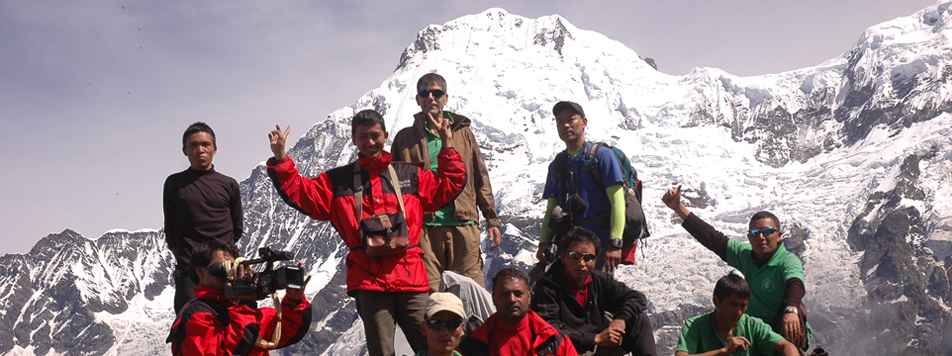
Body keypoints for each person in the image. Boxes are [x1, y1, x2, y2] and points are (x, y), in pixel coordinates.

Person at [266, 109, 466, 356]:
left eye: (375, 136)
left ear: (386, 135)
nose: (370, 142)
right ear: (353, 139)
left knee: (434, 348)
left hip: (410, 279)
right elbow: (303, 193)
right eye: (363, 137)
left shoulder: (410, 174)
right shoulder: (337, 181)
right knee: (382, 352)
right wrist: (281, 158)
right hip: (371, 282)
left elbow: (446, 188)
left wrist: (447, 146)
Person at [662, 185, 811, 350]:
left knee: (795, 311)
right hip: (753, 330)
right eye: (755, 233)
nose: (761, 237)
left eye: (767, 231)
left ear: (779, 235)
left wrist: (791, 310)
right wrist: (678, 208)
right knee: (712, 318)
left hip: (780, 328)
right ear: (748, 237)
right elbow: (713, 239)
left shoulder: (787, 261)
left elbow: (795, 285)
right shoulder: (746, 255)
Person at [391, 73, 503, 291]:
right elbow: (393, 185)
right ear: (418, 99)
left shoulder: (463, 134)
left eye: (437, 93)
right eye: (425, 93)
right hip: (423, 228)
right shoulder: (404, 139)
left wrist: (492, 218)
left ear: (446, 98)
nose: (431, 97)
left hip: (464, 224)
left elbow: (480, 177)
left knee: (471, 293)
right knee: (431, 297)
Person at [168, 240, 312, 356]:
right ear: (200, 271)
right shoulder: (195, 316)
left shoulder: (239, 308)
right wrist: (245, 306)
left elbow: (287, 331)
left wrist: (294, 301)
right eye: (223, 268)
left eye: (234, 267)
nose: (229, 273)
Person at [531, 227, 657, 356]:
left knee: (639, 320)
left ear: (596, 260)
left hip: (599, 346)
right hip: (568, 349)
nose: (581, 263)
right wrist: (595, 339)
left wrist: (620, 319)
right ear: (563, 257)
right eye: (575, 256)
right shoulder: (547, 287)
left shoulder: (598, 280)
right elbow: (549, 328)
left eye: (588, 257)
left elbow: (637, 298)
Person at [164, 121, 244, 314]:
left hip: (227, 271)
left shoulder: (229, 184)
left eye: (205, 144)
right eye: (193, 145)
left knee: (235, 327)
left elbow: (237, 228)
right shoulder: (174, 184)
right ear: (184, 150)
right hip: (190, 274)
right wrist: (186, 264)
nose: (200, 150)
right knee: (191, 328)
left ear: (215, 149)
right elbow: (171, 229)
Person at [538, 101, 627, 273]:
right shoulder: (557, 165)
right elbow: (551, 209)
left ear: (584, 122)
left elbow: (618, 201)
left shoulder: (602, 156)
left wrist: (616, 243)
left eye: (571, 119)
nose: (565, 125)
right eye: (560, 121)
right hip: (568, 249)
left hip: (598, 248)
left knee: (597, 296)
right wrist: (543, 243)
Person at [458, 268, 579, 356]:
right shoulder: (474, 345)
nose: (512, 300)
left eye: (518, 294)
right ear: (493, 299)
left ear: (529, 297)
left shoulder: (553, 340)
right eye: (504, 294)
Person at [676, 273, 799, 356]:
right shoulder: (695, 326)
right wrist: (723, 352)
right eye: (733, 305)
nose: (738, 312)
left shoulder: (753, 326)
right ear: (716, 301)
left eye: (743, 306)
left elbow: (785, 345)